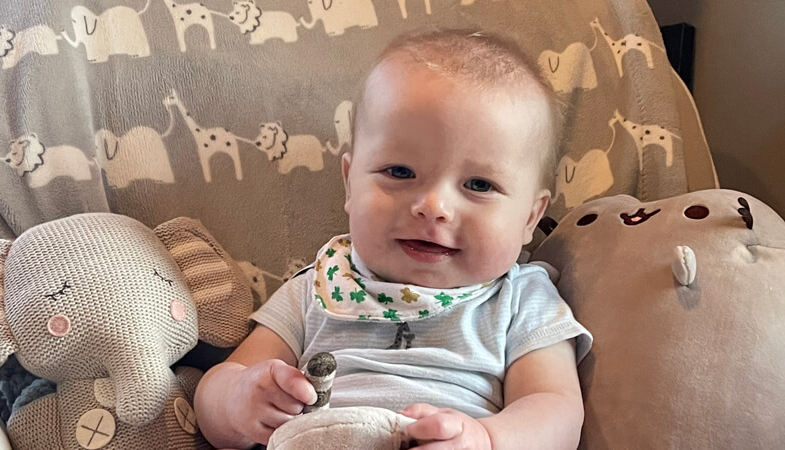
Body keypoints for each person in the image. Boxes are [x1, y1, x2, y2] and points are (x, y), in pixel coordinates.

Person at [195, 29, 592, 449]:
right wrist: (238, 402)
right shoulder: (318, 287)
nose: (433, 206)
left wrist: (488, 440)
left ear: (530, 217)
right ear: (350, 184)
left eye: (478, 184)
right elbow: (215, 393)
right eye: (399, 172)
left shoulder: (520, 299)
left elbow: (556, 411)